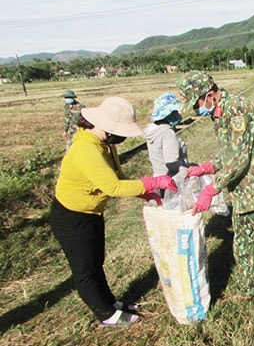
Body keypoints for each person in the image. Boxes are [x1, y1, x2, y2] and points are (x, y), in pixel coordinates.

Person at [49, 96, 178, 327]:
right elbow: (113, 188)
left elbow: (118, 177)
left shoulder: (105, 145)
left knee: (96, 262)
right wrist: (151, 182)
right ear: (104, 125)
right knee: (86, 270)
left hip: (91, 214)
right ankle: (105, 314)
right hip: (72, 217)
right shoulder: (86, 149)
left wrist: (144, 192)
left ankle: (111, 303)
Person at [176, 70, 254, 309]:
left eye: (196, 104)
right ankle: (249, 289)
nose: (196, 111)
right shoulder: (218, 114)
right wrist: (208, 167)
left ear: (209, 96)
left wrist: (212, 189)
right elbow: (229, 153)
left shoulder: (237, 109)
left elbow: (239, 159)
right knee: (244, 246)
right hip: (243, 195)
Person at [143, 92, 189, 180]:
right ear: (168, 114)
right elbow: (172, 163)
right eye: (174, 112)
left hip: (158, 178)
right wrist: (187, 170)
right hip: (171, 180)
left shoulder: (152, 130)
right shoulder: (167, 134)